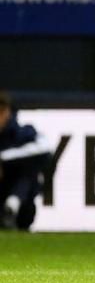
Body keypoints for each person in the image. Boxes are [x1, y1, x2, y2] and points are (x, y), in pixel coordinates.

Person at [0, 92, 51, 231]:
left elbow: (45, 149)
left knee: (29, 169)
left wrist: (3, 160)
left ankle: (10, 208)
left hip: (23, 208)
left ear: (7, 112)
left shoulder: (23, 134)